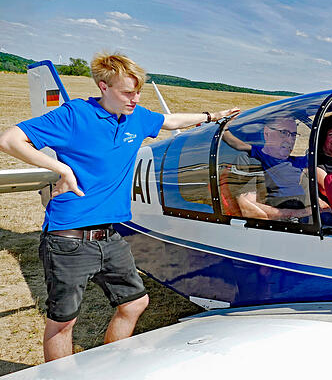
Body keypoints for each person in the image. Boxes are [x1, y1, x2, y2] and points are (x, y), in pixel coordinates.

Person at [0, 52, 239, 362]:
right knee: (63, 323)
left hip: (110, 238)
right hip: (67, 238)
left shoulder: (135, 116)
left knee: (135, 303)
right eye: (127, 92)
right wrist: (62, 170)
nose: (134, 99)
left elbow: (169, 121)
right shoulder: (75, 114)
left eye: (138, 91)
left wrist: (213, 115)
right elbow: (10, 140)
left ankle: (105, 365)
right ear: (103, 87)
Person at [222, 117, 332, 222]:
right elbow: (248, 209)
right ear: (267, 133)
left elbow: (325, 192)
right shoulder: (253, 160)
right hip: (290, 227)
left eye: (293, 135)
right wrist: (224, 129)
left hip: (317, 221)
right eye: (284, 133)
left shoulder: (300, 163)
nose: (290, 140)